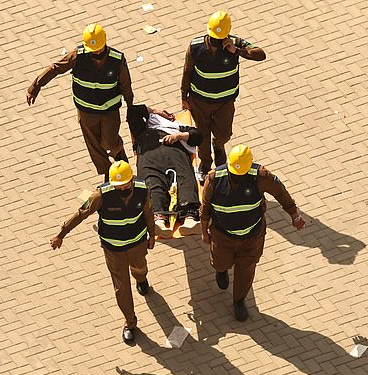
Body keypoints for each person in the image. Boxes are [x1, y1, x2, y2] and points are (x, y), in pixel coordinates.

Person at [50, 161, 154, 344]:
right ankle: (130, 323)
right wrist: (61, 234)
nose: (121, 188)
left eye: (124, 185)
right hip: (114, 250)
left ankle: (141, 279)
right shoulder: (101, 195)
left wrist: (152, 236)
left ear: (131, 180)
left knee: (140, 268)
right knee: (121, 288)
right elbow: (81, 214)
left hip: (137, 244)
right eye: (117, 186)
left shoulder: (142, 189)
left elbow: (148, 212)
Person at [200, 144, 305, 321]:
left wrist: (294, 215)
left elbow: (281, 193)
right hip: (222, 235)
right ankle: (222, 270)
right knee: (219, 262)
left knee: (246, 271)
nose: (238, 177)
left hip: (252, 237)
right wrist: (204, 232)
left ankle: (239, 301)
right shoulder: (214, 179)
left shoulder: (261, 177)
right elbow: (205, 209)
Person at [27, 24, 134, 179]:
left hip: (109, 111)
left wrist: (130, 106)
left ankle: (121, 161)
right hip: (86, 112)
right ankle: (108, 175)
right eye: (93, 50)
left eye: (99, 48)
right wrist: (35, 86)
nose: (96, 52)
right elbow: (56, 68)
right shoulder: (78, 56)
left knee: (110, 142)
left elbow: (126, 84)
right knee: (95, 146)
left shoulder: (117, 60)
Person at [180, 11, 266, 183]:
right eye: (213, 39)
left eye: (219, 39)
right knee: (201, 135)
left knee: (224, 134)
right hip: (200, 101)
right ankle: (205, 164)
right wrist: (184, 96)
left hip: (225, 102)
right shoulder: (195, 46)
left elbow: (260, 54)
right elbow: (187, 71)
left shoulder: (234, 43)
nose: (216, 42)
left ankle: (218, 146)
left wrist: (238, 51)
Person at [127, 104, 203, 238]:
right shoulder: (143, 128)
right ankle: (159, 221)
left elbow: (198, 136)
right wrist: (155, 111)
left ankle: (189, 219)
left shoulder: (178, 127)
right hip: (149, 154)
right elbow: (133, 111)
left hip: (175, 152)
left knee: (184, 178)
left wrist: (178, 136)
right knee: (152, 181)